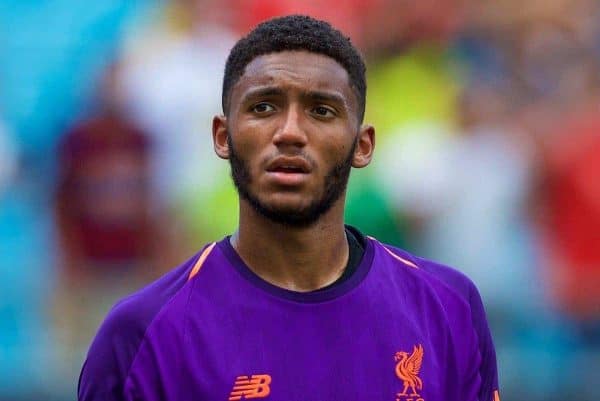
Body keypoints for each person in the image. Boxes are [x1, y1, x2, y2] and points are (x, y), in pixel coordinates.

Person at [78, 15, 500, 401]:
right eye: (264, 107)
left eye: (321, 110)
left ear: (363, 145)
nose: (290, 132)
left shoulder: (448, 308)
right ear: (223, 136)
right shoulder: (142, 334)